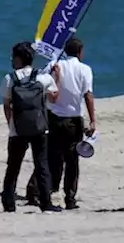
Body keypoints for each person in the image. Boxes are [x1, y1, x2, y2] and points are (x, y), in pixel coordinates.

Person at [0, 42, 62, 214]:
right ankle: (45, 202)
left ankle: (9, 203)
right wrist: (57, 77)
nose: (12, 59)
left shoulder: (10, 78)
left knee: (13, 166)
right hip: (39, 127)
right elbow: (54, 98)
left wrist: (10, 122)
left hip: (17, 129)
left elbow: (6, 104)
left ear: (19, 58)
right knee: (42, 165)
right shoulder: (43, 77)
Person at [46, 37, 96, 210]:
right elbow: (88, 95)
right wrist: (93, 120)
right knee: (72, 160)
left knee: (53, 156)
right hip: (74, 119)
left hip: (53, 117)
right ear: (80, 52)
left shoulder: (54, 65)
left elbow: (43, 84)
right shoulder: (85, 70)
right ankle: (70, 197)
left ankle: (50, 190)